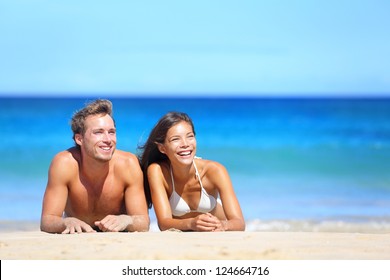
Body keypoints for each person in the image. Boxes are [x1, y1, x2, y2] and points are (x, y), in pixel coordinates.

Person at [40, 99, 149, 234]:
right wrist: (66, 222)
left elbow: (143, 221)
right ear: (79, 139)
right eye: (98, 132)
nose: (108, 140)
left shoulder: (128, 164)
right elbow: (47, 220)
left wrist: (126, 220)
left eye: (111, 132)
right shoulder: (64, 164)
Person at [138, 112, 245, 231]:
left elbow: (239, 223)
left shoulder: (215, 170)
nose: (185, 144)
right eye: (175, 139)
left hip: (216, 232)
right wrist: (192, 224)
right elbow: (163, 224)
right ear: (162, 148)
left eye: (190, 136)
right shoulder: (158, 171)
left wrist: (223, 225)